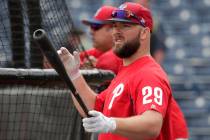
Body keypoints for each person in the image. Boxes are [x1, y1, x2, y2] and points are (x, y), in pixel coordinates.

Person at [58, 2, 176, 139]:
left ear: (144, 33)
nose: (116, 32)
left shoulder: (149, 74)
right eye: (114, 26)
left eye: (125, 26)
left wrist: (111, 123)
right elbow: (94, 108)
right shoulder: (126, 71)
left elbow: (152, 124)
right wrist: (73, 75)